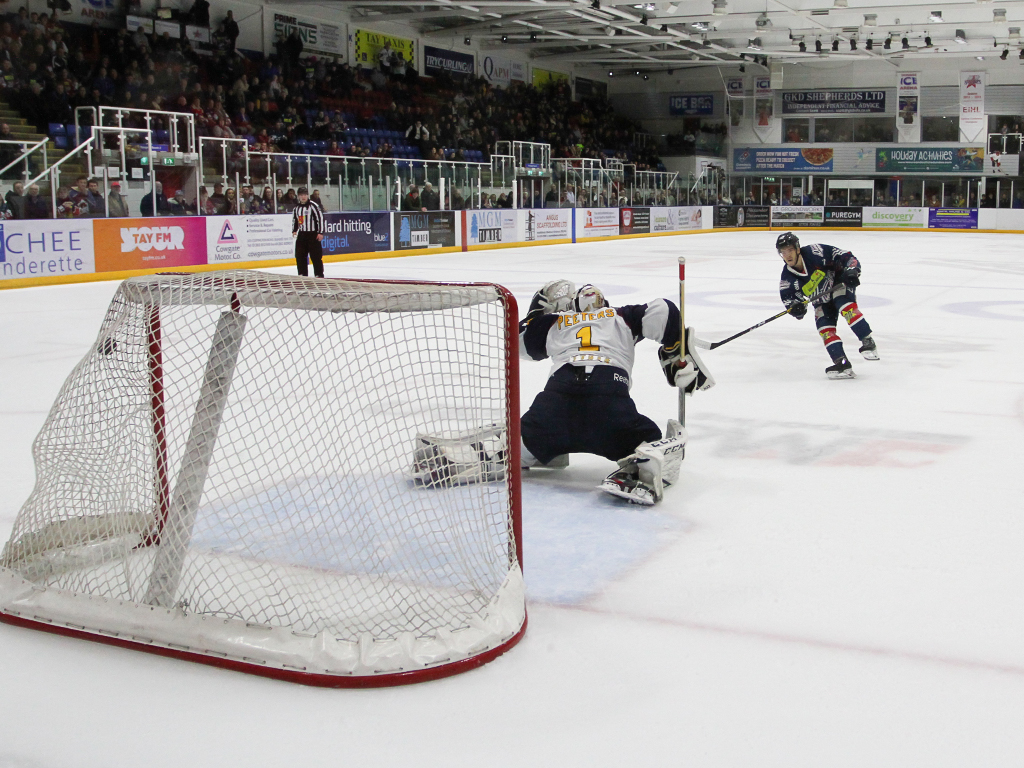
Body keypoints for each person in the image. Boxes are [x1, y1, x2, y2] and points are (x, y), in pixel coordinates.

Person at [517, 281, 713, 506]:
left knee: (520, 442)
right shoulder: (622, 316)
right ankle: (640, 466)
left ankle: (509, 451)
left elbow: (518, 343)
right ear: (605, 305)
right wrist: (676, 351)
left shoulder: (556, 322)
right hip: (608, 403)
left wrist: (536, 313)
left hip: (554, 405)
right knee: (647, 438)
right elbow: (663, 311)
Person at [776, 231, 879, 380]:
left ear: (797, 249)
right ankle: (842, 364)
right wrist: (796, 308)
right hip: (821, 300)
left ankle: (867, 341)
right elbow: (789, 300)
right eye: (783, 252)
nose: (787, 255)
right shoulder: (787, 278)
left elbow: (846, 257)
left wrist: (852, 271)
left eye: (790, 250)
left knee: (844, 306)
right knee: (825, 329)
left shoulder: (815, 252)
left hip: (838, 284)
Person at [291, 186, 325, 278]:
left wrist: (320, 232)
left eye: (305, 195)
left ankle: (319, 275)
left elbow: (320, 218)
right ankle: (302, 275)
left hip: (313, 234)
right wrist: (294, 230)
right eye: (301, 195)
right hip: (302, 234)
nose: (303, 197)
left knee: (316, 256)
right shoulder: (296, 208)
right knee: (300, 256)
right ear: (298, 196)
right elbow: (295, 220)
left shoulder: (313, 206)